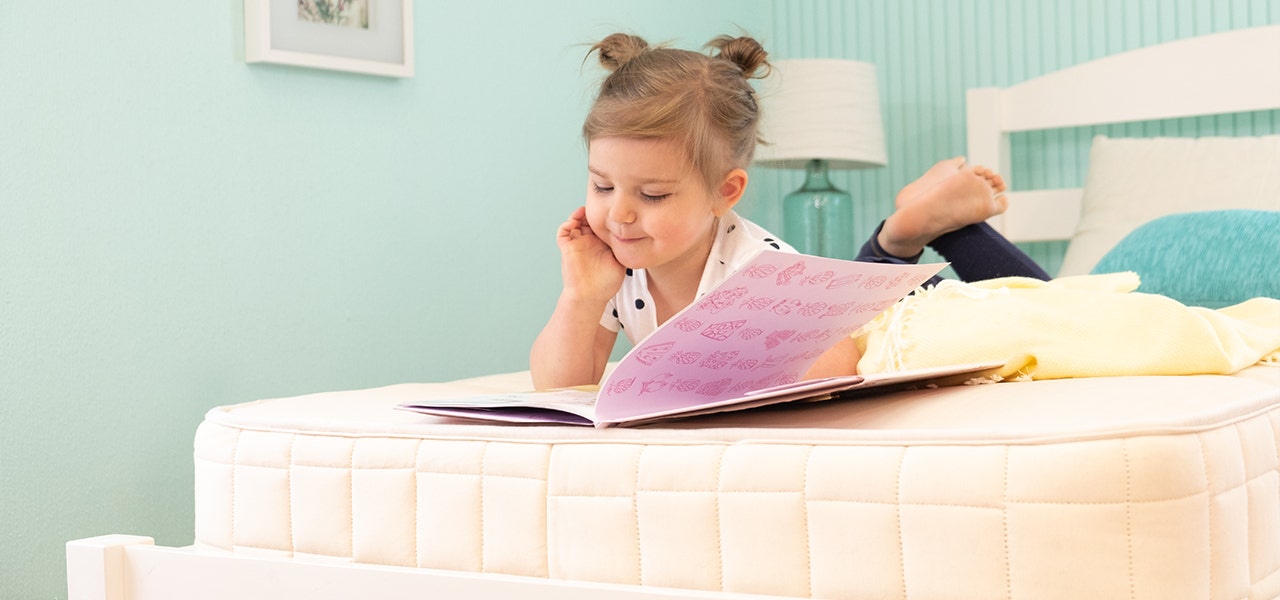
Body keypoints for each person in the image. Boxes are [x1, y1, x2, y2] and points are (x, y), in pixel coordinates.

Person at [529, 32, 1049, 390]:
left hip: (900, 318)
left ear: (725, 193)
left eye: (652, 195)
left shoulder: (757, 265)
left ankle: (922, 235)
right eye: (602, 185)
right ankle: (898, 237)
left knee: (1042, 312)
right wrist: (580, 296)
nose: (618, 214)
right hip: (849, 299)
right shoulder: (618, 265)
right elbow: (559, 387)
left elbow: (838, 364)